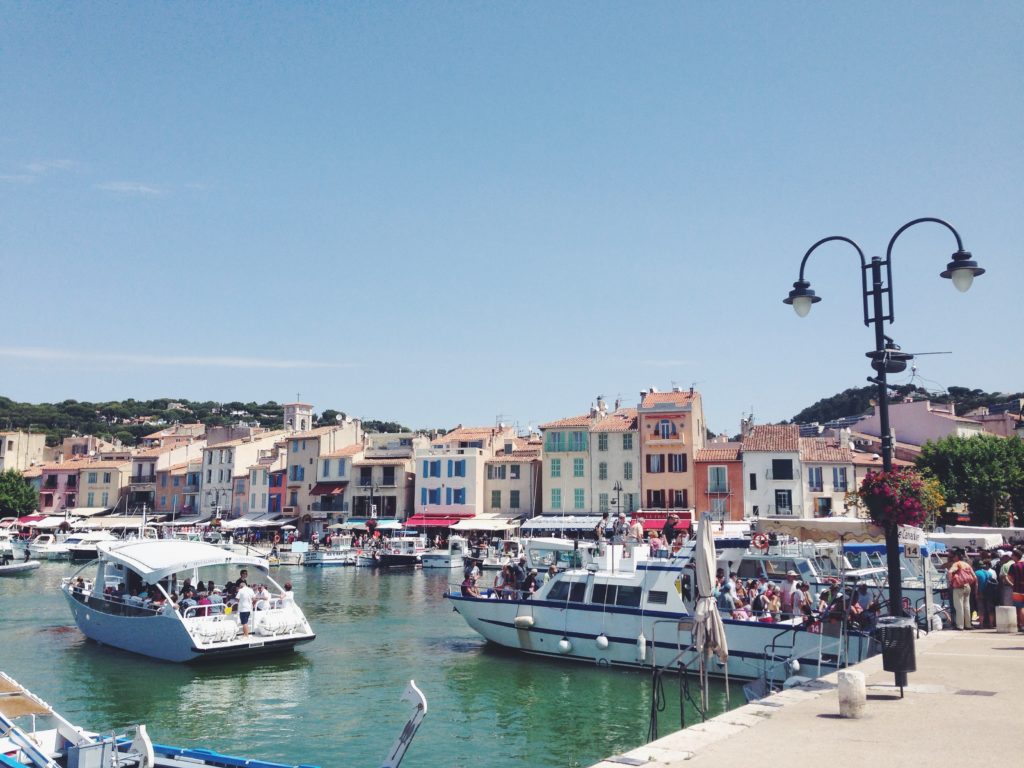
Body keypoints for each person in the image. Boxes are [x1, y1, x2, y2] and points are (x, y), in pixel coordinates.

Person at [947, 550, 976, 630]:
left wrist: (951, 581)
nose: (952, 558)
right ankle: (968, 625)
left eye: (954, 556)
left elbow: (950, 572)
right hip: (967, 587)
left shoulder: (956, 564)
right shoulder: (967, 564)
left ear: (957, 557)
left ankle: (960, 626)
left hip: (958, 587)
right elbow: (974, 577)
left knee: (959, 607)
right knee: (967, 606)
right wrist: (967, 582)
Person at [1009, 549, 1024, 631]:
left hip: (1017, 590)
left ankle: (1021, 625)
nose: (1011, 557)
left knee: (1019, 608)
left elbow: (1010, 578)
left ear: (1016, 556)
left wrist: (1014, 583)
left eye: (1012, 555)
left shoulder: (1014, 566)